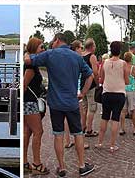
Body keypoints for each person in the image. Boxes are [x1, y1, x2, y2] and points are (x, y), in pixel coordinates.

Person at [25, 32, 95, 177]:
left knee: (58, 135)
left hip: (56, 103)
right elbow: (90, 75)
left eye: (52, 41)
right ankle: (82, 166)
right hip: (72, 103)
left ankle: (62, 167)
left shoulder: (50, 54)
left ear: (57, 40)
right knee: (78, 134)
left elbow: (29, 61)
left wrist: (27, 53)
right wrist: (82, 92)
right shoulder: (77, 56)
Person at [95, 41, 131, 153]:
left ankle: (100, 142)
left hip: (106, 93)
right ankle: (112, 145)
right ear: (120, 51)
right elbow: (126, 80)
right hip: (119, 93)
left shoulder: (105, 62)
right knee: (115, 118)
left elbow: (101, 78)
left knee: (104, 117)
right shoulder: (123, 63)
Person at [23, 37, 48, 176]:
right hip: (30, 102)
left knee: (27, 132)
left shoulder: (30, 62)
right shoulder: (31, 66)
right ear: (34, 49)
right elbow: (24, 84)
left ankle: (25, 162)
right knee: (38, 131)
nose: (43, 50)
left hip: (27, 102)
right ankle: (37, 163)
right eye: (41, 47)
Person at [80, 39, 100, 138]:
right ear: (91, 46)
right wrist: (97, 83)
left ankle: (83, 127)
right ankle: (89, 130)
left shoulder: (80, 55)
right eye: (95, 46)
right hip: (91, 84)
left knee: (84, 107)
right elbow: (95, 72)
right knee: (92, 108)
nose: (95, 48)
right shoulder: (92, 56)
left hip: (82, 85)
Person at [120, 53, 135, 137]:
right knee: (134, 110)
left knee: (123, 110)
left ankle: (122, 129)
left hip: (123, 89)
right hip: (132, 90)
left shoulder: (122, 67)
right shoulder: (133, 68)